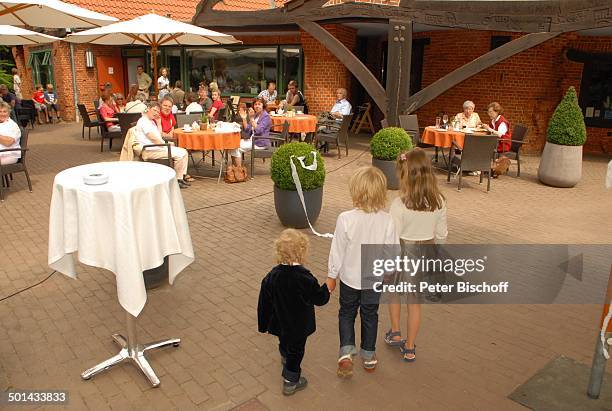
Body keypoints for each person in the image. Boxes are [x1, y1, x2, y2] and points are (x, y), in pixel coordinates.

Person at [327, 166, 399, 377]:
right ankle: (369, 355)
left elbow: (337, 250)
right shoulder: (387, 220)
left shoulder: (346, 218)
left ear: (355, 191)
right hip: (374, 280)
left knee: (347, 313)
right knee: (370, 315)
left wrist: (332, 276)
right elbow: (392, 251)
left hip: (349, 279)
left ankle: (346, 353)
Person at [385, 148, 447, 363]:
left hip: (402, 253)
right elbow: (441, 234)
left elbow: (392, 236)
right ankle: (410, 347)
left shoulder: (399, 205)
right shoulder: (439, 202)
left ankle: (395, 332)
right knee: (415, 303)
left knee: (394, 292)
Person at [257, 229, 330, 396]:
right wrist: (328, 289)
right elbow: (319, 299)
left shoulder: (271, 276)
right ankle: (290, 381)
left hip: (279, 323)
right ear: (302, 251)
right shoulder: (305, 278)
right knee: (297, 350)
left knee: (284, 341)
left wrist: (264, 325)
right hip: (299, 326)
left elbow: (264, 303)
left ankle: (284, 356)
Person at [134, 101, 190, 188]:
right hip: (149, 150)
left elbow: (159, 135)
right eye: (154, 110)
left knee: (184, 151)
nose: (156, 113)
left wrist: (159, 122)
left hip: (157, 148)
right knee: (180, 154)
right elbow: (153, 138)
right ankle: (177, 180)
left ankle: (181, 177)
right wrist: (165, 145)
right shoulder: (143, 121)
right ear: (148, 109)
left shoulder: (151, 121)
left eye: (157, 111)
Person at [230, 98, 271, 168]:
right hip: (252, 140)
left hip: (260, 142)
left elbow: (258, 130)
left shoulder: (266, 116)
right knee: (233, 144)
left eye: (259, 104)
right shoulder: (256, 115)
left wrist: (251, 118)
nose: (257, 106)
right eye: (255, 104)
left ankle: (239, 171)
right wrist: (244, 118)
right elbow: (247, 129)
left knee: (236, 148)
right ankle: (235, 169)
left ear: (263, 106)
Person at [0, 101, 22, 166]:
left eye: (4, 111)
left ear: (9, 113)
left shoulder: (12, 125)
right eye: (0, 111)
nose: (2, 114)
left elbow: (8, 142)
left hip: (8, 155)